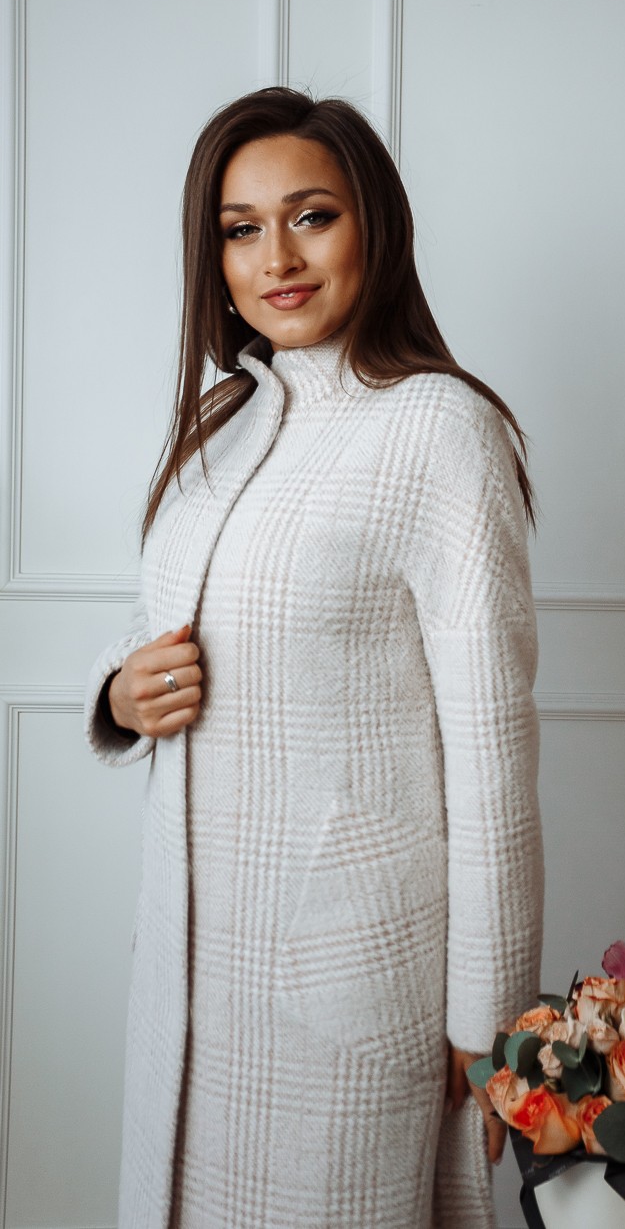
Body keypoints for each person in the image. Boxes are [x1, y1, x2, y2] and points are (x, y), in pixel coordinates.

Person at [83, 87, 545, 1229]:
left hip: (350, 985)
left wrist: (491, 1020)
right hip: (191, 971)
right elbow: (168, 619)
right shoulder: (224, 420)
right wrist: (120, 694)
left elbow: (492, 751)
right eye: (240, 229)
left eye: (311, 216)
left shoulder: (438, 429)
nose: (276, 259)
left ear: (373, 225)